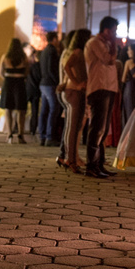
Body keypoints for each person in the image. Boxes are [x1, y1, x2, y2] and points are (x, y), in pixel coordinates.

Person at [83, 16, 120, 178]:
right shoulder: (95, 43)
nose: (114, 34)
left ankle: (99, 164)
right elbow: (108, 60)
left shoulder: (107, 44)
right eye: (113, 31)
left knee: (104, 129)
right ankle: (91, 165)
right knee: (97, 128)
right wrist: (113, 47)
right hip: (99, 87)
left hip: (109, 87)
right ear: (106, 30)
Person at [56, 28, 88, 173]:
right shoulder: (78, 52)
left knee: (71, 126)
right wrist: (77, 82)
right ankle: (71, 160)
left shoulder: (71, 51)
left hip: (70, 90)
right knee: (73, 127)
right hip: (74, 91)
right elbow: (67, 67)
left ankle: (67, 157)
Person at [0, 38, 30, 143]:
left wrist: (8, 78)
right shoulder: (23, 57)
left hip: (8, 83)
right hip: (20, 83)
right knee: (21, 109)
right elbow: (27, 72)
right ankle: (20, 134)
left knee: (8, 109)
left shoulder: (5, 57)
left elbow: (0, 72)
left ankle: (9, 134)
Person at [38, 32, 62, 146]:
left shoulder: (44, 51)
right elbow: (51, 69)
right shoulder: (52, 51)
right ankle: (49, 136)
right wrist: (57, 81)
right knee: (54, 109)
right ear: (54, 39)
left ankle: (42, 135)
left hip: (43, 83)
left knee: (44, 110)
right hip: (50, 84)